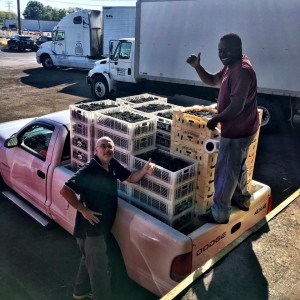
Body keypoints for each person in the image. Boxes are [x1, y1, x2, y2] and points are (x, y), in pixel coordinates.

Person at [60, 136, 154, 300]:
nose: (106, 149)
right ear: (95, 150)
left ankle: (80, 291)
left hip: (100, 228)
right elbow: (65, 190)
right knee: (100, 272)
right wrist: (84, 210)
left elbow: (130, 177)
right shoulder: (89, 169)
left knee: (88, 260)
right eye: (102, 146)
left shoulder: (112, 164)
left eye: (109, 147)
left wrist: (145, 170)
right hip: (91, 230)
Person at [187, 33, 259, 224]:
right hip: (245, 128)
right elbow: (211, 80)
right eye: (220, 51)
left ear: (238, 48)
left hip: (238, 131)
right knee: (238, 165)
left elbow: (236, 107)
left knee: (226, 170)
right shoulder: (231, 66)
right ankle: (242, 199)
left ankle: (219, 214)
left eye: (227, 50)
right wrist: (197, 67)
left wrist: (215, 119)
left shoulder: (241, 71)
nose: (222, 54)